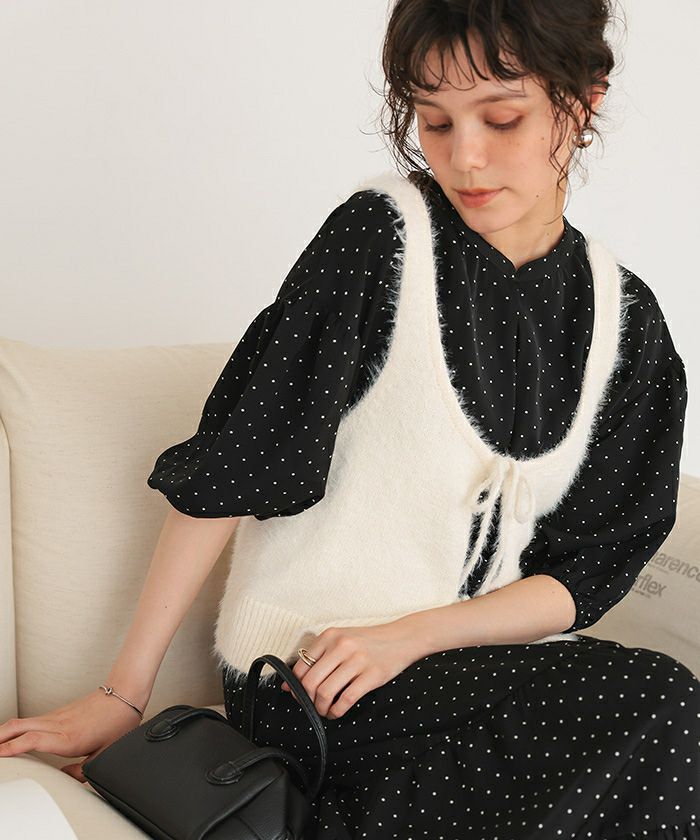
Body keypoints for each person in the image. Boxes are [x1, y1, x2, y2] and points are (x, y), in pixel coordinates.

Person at [1, 2, 697, 839]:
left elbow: (583, 576)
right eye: (434, 121)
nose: (464, 157)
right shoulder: (379, 240)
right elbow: (235, 465)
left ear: (583, 104)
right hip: (310, 679)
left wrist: (412, 637)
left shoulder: (628, 325)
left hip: (470, 679)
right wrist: (123, 693)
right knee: (657, 701)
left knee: (666, 717)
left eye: (502, 119)